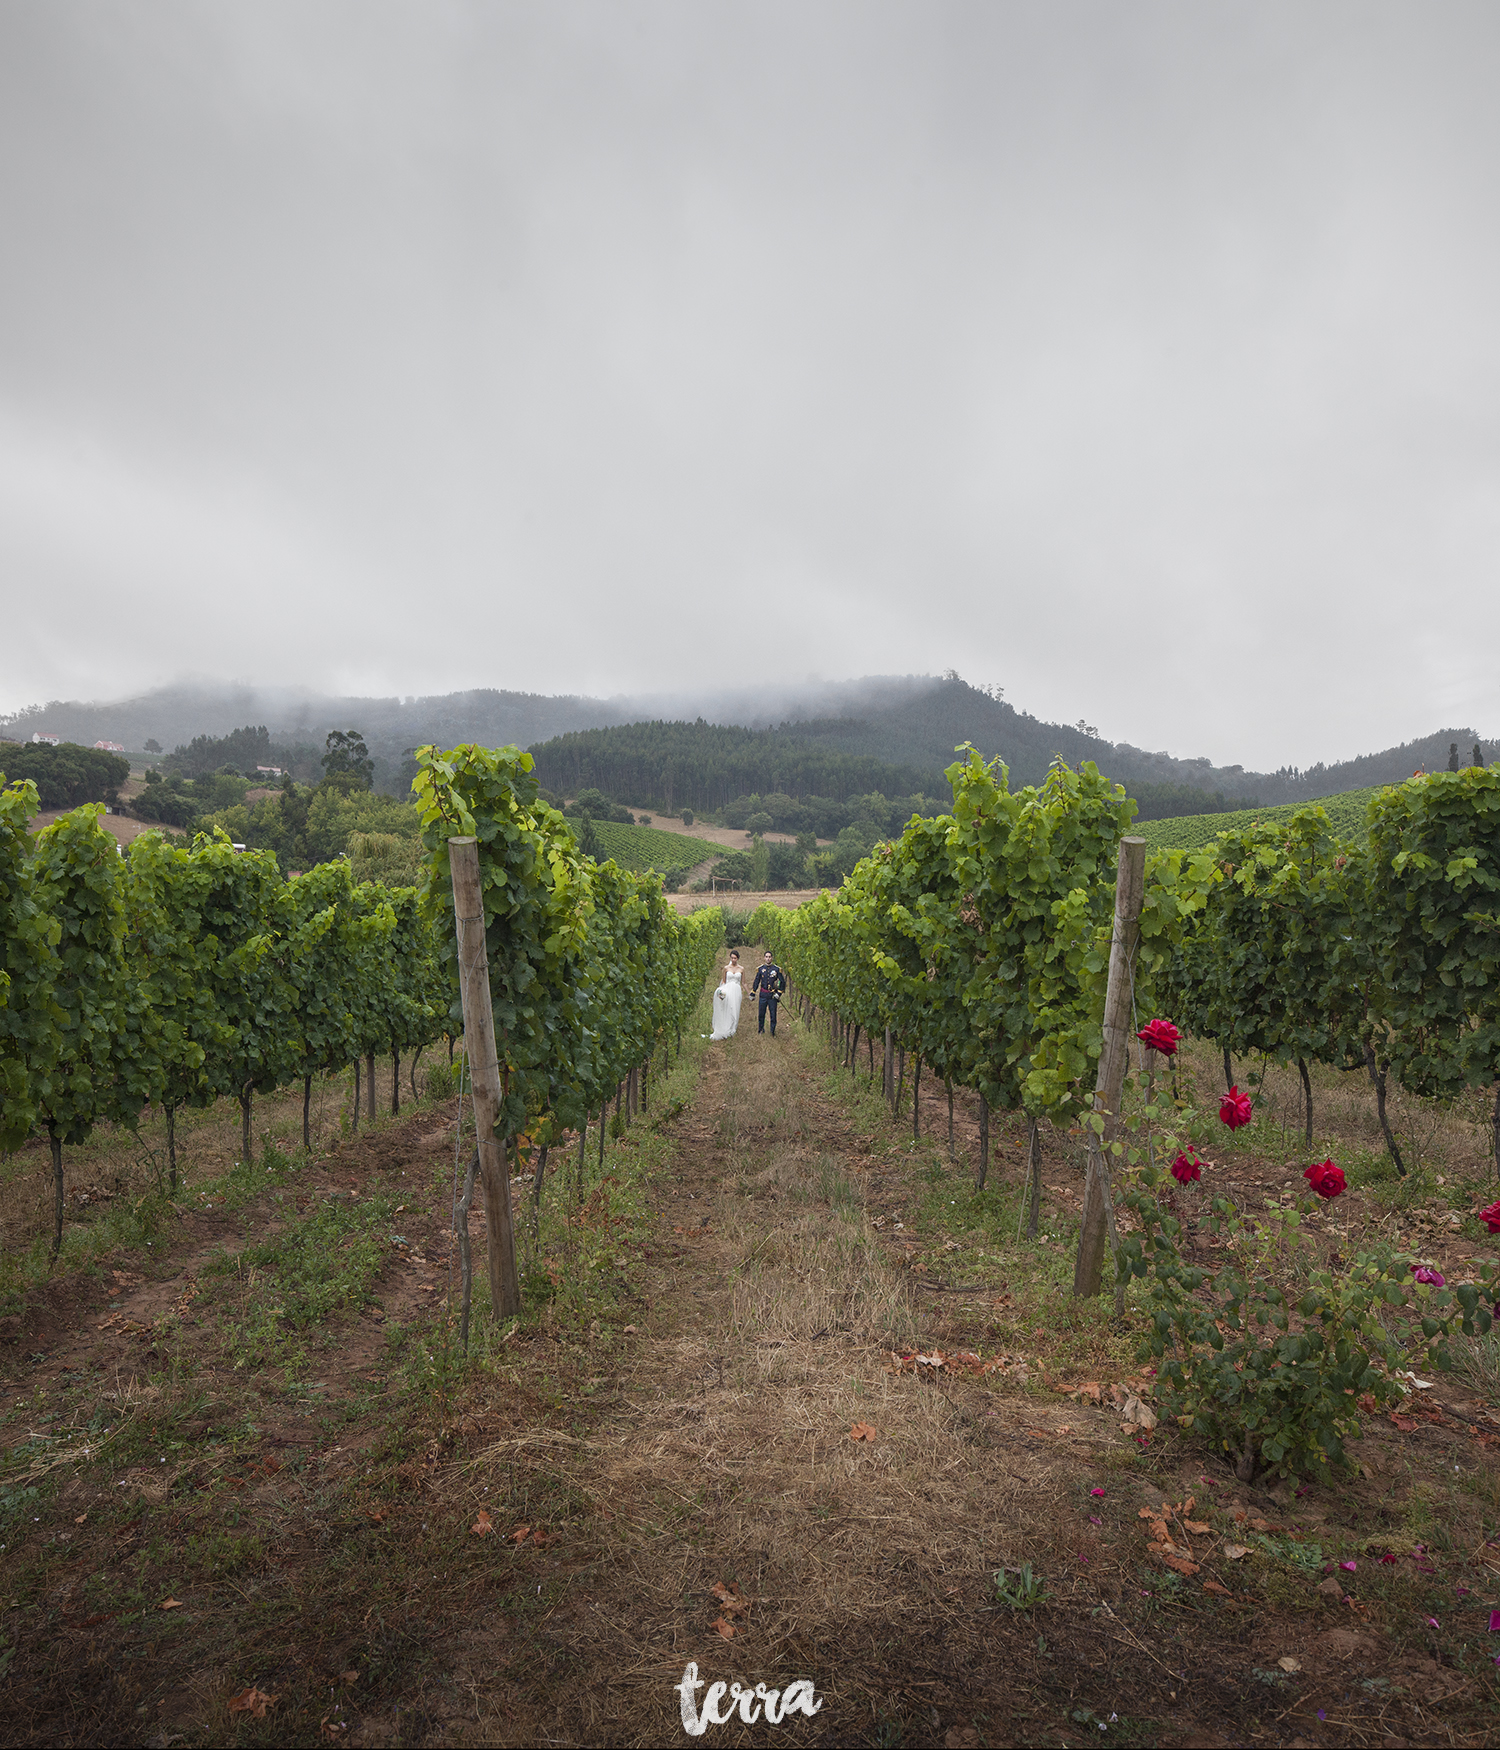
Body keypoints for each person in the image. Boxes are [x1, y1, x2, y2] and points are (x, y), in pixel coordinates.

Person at [751, 949, 786, 1036]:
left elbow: (782, 982)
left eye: (769, 957)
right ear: (764, 958)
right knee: (761, 1014)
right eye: (766, 957)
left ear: (772, 958)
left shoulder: (777, 969)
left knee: (773, 1015)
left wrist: (779, 993)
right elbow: (756, 981)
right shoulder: (760, 969)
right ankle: (760, 1030)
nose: (768, 959)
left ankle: (772, 1032)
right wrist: (753, 992)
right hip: (763, 994)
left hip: (772, 996)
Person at [710, 949, 743, 1041]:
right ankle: (726, 1027)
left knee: (735, 1009)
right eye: (732, 958)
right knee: (729, 1008)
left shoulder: (741, 969)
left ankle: (733, 1028)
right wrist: (721, 991)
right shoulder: (726, 968)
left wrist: (749, 993)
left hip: (736, 990)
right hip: (728, 989)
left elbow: (744, 983)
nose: (733, 960)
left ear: (738, 958)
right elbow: (724, 981)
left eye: (735, 958)